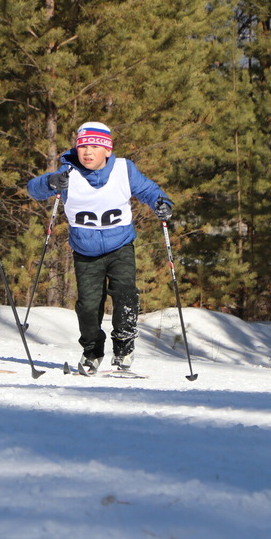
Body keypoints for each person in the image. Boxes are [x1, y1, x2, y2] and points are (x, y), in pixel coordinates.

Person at [26, 122, 172, 372]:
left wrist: (163, 203)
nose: (87, 152)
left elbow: (149, 190)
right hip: (86, 251)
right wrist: (51, 182)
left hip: (120, 246)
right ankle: (92, 351)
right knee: (88, 305)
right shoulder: (67, 173)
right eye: (82, 146)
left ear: (107, 150)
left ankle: (124, 346)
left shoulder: (124, 169)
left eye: (94, 146)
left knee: (126, 295)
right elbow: (34, 190)